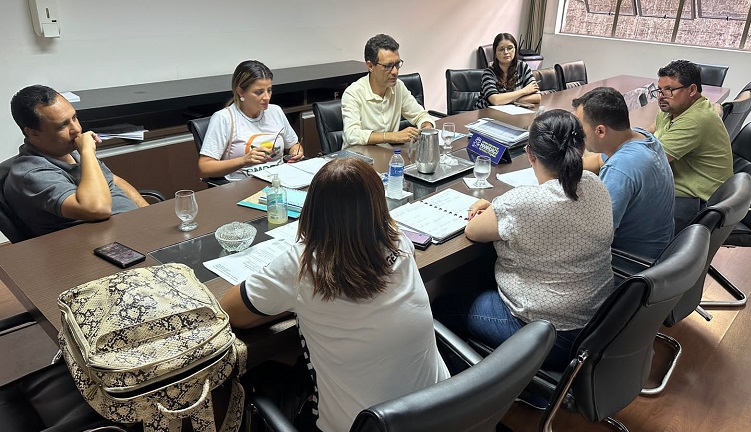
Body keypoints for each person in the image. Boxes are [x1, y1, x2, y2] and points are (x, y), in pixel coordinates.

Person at [220, 158, 449, 432]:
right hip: (443, 412)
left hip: (363, 426)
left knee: (265, 378)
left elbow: (230, 310)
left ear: (313, 209)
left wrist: (294, 301)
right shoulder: (399, 241)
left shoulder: (302, 266)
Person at [435, 109, 614, 371]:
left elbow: (473, 230)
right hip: (599, 324)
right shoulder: (594, 183)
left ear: (530, 154)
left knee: (440, 309)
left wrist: (496, 209)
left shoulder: (523, 202)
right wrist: (501, 211)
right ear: (581, 148)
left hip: (547, 334)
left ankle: (477, 386)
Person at [6, 85, 149, 237]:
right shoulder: (30, 174)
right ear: (33, 133)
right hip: (101, 243)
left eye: (74, 118)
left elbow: (113, 181)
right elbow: (98, 208)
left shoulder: (69, 150)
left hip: (134, 229)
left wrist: (147, 213)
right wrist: (87, 152)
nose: (76, 129)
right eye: (62, 125)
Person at [574, 87, 675, 260]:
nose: (578, 136)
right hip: (661, 249)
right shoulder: (641, 137)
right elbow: (598, 161)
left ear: (600, 131)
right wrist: (558, 168)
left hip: (633, 262)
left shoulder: (620, 168)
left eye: (581, 131)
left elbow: (597, 240)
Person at [650, 59, 732, 233]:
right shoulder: (674, 109)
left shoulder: (694, 120)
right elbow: (653, 129)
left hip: (698, 202)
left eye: (669, 90)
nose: (661, 96)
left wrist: (600, 158)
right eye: (659, 90)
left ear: (692, 90)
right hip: (683, 188)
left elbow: (648, 162)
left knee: (628, 221)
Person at [198, 60, 303, 182]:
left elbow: (294, 145)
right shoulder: (224, 118)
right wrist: (243, 160)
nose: (267, 97)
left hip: (279, 180)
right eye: (259, 92)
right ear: (241, 92)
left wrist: (296, 153)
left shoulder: (275, 111)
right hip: (244, 185)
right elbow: (204, 167)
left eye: (269, 90)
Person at [341, 34, 434, 148]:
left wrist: (426, 127)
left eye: (397, 64)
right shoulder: (353, 93)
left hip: (387, 154)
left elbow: (420, 115)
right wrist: (393, 136)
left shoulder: (398, 87)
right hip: (357, 156)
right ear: (370, 66)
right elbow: (352, 135)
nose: (395, 71)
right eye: (388, 66)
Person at [475, 33, 541, 109]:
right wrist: (524, 91)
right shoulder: (488, 73)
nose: (506, 52)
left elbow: (537, 97)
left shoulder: (523, 67)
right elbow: (495, 100)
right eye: (501, 49)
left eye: (510, 48)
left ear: (515, 50)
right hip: (486, 113)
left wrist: (509, 100)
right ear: (495, 53)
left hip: (511, 112)